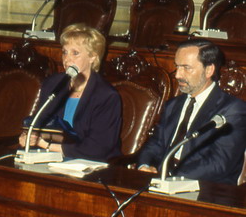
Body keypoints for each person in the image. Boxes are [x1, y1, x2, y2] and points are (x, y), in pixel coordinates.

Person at [137, 38, 246, 185]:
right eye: (177, 66)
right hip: (161, 182)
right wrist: (144, 166)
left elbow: (219, 163)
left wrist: (169, 176)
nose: (177, 75)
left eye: (186, 68)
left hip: (205, 189)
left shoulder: (232, 109)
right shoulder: (173, 105)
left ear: (209, 70)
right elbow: (155, 144)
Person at [19, 23, 122, 162]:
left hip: (90, 164)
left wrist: (47, 145)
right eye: (64, 52)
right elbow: (40, 121)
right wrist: (28, 136)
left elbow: (98, 148)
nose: (67, 59)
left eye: (75, 53)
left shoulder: (106, 96)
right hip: (50, 159)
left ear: (93, 57)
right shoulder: (53, 83)